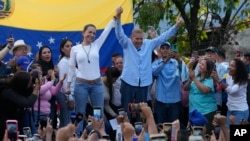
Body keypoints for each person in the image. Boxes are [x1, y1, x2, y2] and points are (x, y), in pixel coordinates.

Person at [114, 7, 183, 117]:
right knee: (127, 111)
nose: (139, 41)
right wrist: (118, 18)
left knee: (141, 112)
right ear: (131, 38)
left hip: (143, 84)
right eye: (137, 39)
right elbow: (119, 33)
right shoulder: (126, 43)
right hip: (128, 81)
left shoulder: (148, 44)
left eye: (141, 39)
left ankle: (139, 130)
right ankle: (127, 131)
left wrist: (176, 26)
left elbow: (163, 37)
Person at [66, 8, 119, 136]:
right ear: (83, 33)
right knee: (80, 113)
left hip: (97, 84)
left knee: (98, 113)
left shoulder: (96, 45)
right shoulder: (75, 49)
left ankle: (98, 136)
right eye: (89, 32)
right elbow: (72, 67)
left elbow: (106, 32)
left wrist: (115, 17)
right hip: (81, 84)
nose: (92, 35)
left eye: (94, 33)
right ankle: (77, 136)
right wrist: (68, 85)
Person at [0, 71, 40, 140]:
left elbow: (27, 94)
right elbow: (28, 103)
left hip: (15, 118)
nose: (30, 84)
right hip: (5, 121)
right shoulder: (7, 91)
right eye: (29, 83)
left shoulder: (17, 89)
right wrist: (36, 88)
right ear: (22, 83)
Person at [184, 58, 217, 134]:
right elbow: (185, 88)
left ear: (207, 68)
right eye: (200, 64)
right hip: (194, 112)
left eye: (202, 64)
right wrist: (190, 80)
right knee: (194, 135)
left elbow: (205, 90)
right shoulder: (196, 77)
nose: (199, 65)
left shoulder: (209, 79)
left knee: (206, 134)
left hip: (206, 112)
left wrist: (194, 78)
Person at [152, 42, 182, 124]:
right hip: (160, 100)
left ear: (170, 50)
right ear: (160, 50)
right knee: (160, 125)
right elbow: (154, 73)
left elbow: (184, 75)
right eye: (163, 48)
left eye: (167, 48)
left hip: (174, 100)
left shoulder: (176, 62)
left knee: (174, 127)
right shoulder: (156, 63)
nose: (165, 50)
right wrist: (165, 61)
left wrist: (179, 60)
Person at [220, 59, 249, 126]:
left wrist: (221, 83)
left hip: (240, 111)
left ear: (238, 69)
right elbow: (221, 86)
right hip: (230, 109)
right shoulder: (227, 76)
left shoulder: (243, 81)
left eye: (232, 66)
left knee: (237, 134)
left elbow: (231, 91)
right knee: (228, 133)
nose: (229, 67)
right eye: (229, 65)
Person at [56, 38, 75, 128]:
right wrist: (69, 98)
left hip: (73, 95)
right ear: (62, 49)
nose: (70, 48)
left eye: (71, 46)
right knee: (68, 124)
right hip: (67, 97)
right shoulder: (63, 62)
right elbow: (63, 82)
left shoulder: (72, 61)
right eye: (67, 46)